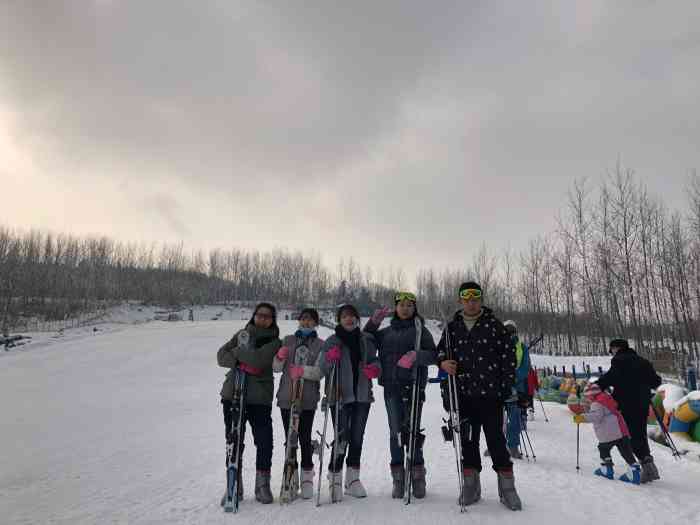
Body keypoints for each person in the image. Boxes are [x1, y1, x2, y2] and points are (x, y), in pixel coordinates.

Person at [436, 281, 521, 511]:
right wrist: (444, 362)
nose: (471, 302)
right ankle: (471, 486)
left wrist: (506, 386)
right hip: (463, 395)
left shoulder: (494, 326)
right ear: (461, 300)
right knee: (468, 441)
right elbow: (440, 351)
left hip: (490, 395)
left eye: (475, 298)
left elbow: (509, 358)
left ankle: (507, 489)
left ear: (481, 300)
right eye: (467, 298)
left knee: (496, 440)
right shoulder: (452, 328)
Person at [364, 292, 436, 499]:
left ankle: (417, 476)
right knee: (395, 432)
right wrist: (372, 324)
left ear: (415, 308)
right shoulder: (385, 332)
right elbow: (365, 340)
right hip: (391, 387)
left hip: (414, 386)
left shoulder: (421, 331)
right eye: (401, 305)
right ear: (396, 308)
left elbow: (434, 355)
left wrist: (416, 356)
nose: (405, 308)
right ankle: (398, 478)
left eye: (409, 305)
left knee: (412, 430)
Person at [217, 302, 282, 504]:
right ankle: (234, 484)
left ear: (273, 320)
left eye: (268, 316)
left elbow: (259, 360)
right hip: (233, 393)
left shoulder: (275, 342)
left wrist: (236, 354)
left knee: (264, 442)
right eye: (260, 315)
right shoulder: (241, 334)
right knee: (234, 440)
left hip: (259, 398)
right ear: (254, 316)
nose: (263, 318)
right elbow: (221, 357)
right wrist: (241, 358)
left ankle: (262, 485)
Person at [319, 304, 381, 502]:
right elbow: (322, 367)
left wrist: (374, 368)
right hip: (339, 396)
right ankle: (335, 475)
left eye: (352, 316)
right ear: (339, 319)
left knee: (357, 438)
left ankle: (352, 479)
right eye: (345, 316)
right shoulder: (332, 341)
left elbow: (375, 360)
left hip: (362, 396)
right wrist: (329, 358)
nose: (349, 319)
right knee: (341, 437)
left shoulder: (365, 341)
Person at [273, 308, 324, 500]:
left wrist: (302, 371)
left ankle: (307, 477)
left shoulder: (320, 344)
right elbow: (276, 368)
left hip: (308, 398)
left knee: (304, 436)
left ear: (315, 323)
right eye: (303, 319)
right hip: (287, 396)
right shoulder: (288, 341)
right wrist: (279, 357)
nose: (306, 322)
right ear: (299, 321)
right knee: (290, 438)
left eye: (310, 320)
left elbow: (320, 371)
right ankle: (290, 475)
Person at [596, 338, 662, 483]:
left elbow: (610, 378)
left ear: (616, 348)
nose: (612, 353)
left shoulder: (619, 360)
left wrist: (596, 386)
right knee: (640, 433)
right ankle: (649, 467)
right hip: (643, 403)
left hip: (626, 404)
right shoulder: (643, 361)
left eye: (612, 350)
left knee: (628, 436)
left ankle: (639, 469)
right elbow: (656, 381)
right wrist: (641, 384)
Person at [573, 382, 641, 484]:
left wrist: (582, 417)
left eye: (588, 397)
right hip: (621, 431)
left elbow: (596, 416)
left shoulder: (597, 403)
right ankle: (634, 473)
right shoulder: (608, 398)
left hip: (608, 433)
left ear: (592, 395)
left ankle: (607, 470)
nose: (588, 399)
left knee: (603, 448)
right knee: (625, 450)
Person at [503, 320, 531, 459]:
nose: (509, 334)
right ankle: (497, 446)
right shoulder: (497, 346)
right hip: (500, 388)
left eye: (511, 331)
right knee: (497, 420)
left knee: (514, 419)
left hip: (517, 388)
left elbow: (525, 368)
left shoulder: (522, 347)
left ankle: (513, 446)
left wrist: (512, 379)